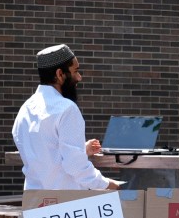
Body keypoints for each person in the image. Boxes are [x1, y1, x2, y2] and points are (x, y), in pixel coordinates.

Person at [11, 44, 120, 191]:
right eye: (75, 71)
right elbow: (76, 166)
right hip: (65, 205)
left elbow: (44, 154)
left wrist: (82, 150)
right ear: (60, 74)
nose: (79, 77)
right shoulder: (66, 108)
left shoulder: (25, 109)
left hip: (35, 202)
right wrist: (108, 185)